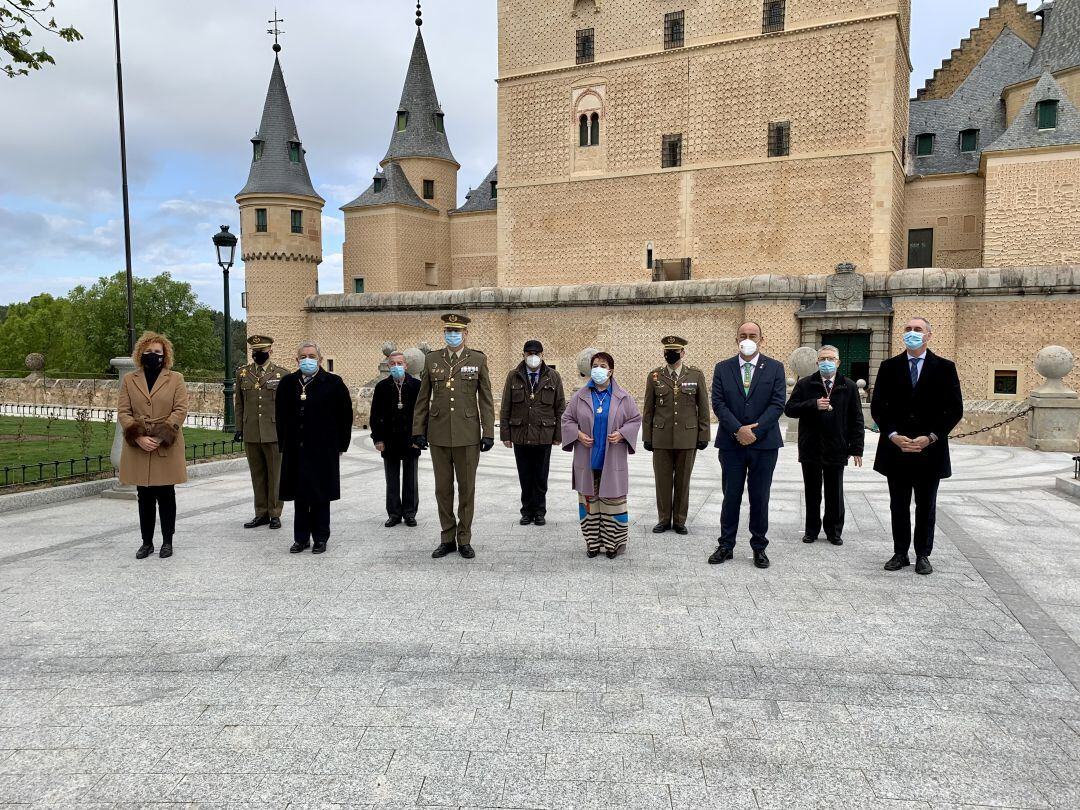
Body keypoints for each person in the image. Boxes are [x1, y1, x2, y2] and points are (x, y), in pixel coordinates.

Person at [871, 317, 963, 575]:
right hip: (896, 449)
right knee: (897, 504)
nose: (912, 333)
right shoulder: (889, 367)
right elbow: (879, 406)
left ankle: (923, 554)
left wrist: (931, 436)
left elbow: (954, 408)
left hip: (929, 450)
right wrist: (892, 435)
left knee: (926, 505)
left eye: (917, 329)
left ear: (928, 336)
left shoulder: (945, 367)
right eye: (908, 329)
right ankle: (900, 552)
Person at [412, 313, 495, 559]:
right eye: (448, 331)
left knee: (467, 489)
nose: (452, 335)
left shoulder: (478, 359)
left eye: (457, 331)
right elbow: (422, 398)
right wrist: (418, 430)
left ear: (466, 334)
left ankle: (465, 538)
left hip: (468, 434)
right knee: (443, 490)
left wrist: (488, 431)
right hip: (438, 434)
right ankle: (447, 538)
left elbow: (486, 399)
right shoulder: (432, 359)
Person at [709, 321, 786, 568]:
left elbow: (777, 403)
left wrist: (755, 430)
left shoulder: (775, 367)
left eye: (753, 335)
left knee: (760, 497)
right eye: (743, 335)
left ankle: (759, 547)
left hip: (764, 444)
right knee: (730, 495)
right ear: (736, 339)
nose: (748, 339)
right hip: (731, 444)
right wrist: (737, 430)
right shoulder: (723, 368)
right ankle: (726, 545)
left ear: (761, 339)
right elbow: (718, 403)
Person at [275, 341, 354, 554]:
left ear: (320, 359)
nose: (307, 360)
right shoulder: (288, 383)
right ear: (296, 359)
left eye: (311, 356)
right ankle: (300, 538)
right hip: (295, 448)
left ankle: (320, 536)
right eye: (303, 356)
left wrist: (341, 444)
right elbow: (280, 416)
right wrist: (283, 442)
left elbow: (345, 415)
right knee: (299, 494)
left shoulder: (333, 383)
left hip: (323, 447)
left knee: (320, 494)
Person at [561, 352, 642, 558]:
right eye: (595, 365)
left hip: (611, 459)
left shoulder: (623, 397)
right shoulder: (580, 396)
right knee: (589, 503)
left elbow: (634, 419)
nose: (598, 369)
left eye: (603, 365)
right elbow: (566, 419)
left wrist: (622, 434)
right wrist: (577, 434)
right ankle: (592, 543)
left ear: (611, 370)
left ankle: (613, 544)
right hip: (587, 461)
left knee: (613, 504)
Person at [117, 331, 189, 560]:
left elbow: (180, 410)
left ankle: (167, 541)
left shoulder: (175, 378)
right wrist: (137, 436)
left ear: (165, 354)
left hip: (166, 445)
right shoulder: (130, 379)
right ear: (140, 354)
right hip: (138, 446)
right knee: (144, 496)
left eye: (157, 352)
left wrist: (160, 436)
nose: (152, 355)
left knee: (166, 494)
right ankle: (146, 542)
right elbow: (123, 411)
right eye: (148, 352)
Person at [784, 344, 865, 546]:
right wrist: (812, 404)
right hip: (810, 445)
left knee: (834, 492)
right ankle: (811, 530)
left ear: (838, 362)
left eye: (830, 359)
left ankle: (834, 531)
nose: (826, 362)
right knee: (812, 491)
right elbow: (790, 409)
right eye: (822, 359)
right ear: (817, 362)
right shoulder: (805, 384)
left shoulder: (849, 385)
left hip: (836, 446)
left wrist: (856, 448)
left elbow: (857, 418)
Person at [642, 336, 711, 535]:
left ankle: (680, 520)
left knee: (683, 480)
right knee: (662, 480)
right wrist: (648, 435)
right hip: (661, 436)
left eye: (674, 351)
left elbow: (703, 406)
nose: (670, 355)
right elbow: (648, 409)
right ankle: (663, 519)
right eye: (667, 351)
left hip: (687, 436)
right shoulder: (654, 375)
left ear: (683, 352)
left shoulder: (696, 375)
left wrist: (703, 433)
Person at [500, 339, 566, 526]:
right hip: (520, 433)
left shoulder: (553, 376)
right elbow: (505, 406)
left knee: (541, 475)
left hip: (544, 434)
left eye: (536, 354)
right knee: (525, 475)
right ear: (523, 355)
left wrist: (558, 435)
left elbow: (560, 407)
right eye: (529, 354)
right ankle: (526, 511)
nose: (533, 357)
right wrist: (505, 434)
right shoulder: (513, 376)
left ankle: (539, 511)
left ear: (542, 355)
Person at [234, 334, 287, 530]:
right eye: (255, 352)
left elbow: (286, 407)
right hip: (251, 431)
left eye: (262, 352)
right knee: (257, 474)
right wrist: (239, 428)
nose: (258, 355)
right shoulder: (243, 374)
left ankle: (275, 513)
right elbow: (239, 403)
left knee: (275, 474)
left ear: (270, 351)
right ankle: (261, 512)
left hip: (274, 432)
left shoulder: (282, 374)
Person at [370, 351, 422, 528]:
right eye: (393, 363)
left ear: (406, 365)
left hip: (410, 439)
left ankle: (409, 513)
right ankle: (393, 513)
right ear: (388, 365)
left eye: (400, 363)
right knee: (391, 479)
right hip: (389, 440)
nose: (396, 366)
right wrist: (378, 439)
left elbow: (423, 414)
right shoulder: (382, 387)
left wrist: (420, 438)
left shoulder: (416, 385)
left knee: (411, 479)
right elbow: (375, 415)